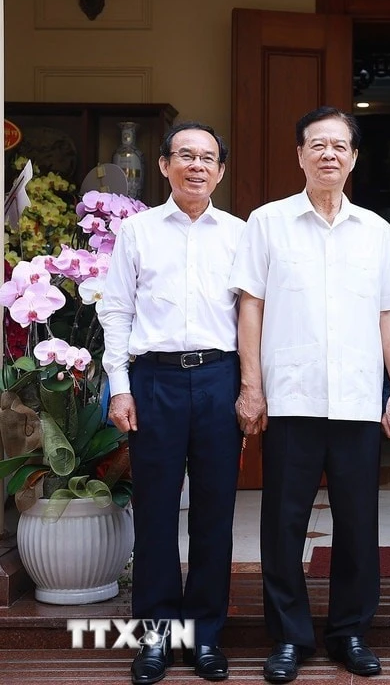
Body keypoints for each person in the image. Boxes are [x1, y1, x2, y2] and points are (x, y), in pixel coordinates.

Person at [229, 107, 390, 683]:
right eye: (318, 145)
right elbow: (250, 306)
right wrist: (251, 385)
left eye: (340, 146)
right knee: (283, 524)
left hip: (358, 400)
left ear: (354, 158)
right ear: (300, 155)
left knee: (359, 525)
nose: (329, 154)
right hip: (291, 399)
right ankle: (288, 636)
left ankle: (350, 632)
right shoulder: (267, 222)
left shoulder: (377, 231)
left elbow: (389, 312)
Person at [99, 121, 245, 684]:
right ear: (164, 166)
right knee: (155, 514)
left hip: (218, 378)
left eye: (207, 158)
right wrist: (120, 386)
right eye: (185, 156)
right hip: (154, 381)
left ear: (221, 171)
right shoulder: (137, 233)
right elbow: (115, 311)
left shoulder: (238, 233)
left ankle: (205, 638)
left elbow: (252, 316)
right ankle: (156, 639)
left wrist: (251, 386)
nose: (196, 166)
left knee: (215, 515)